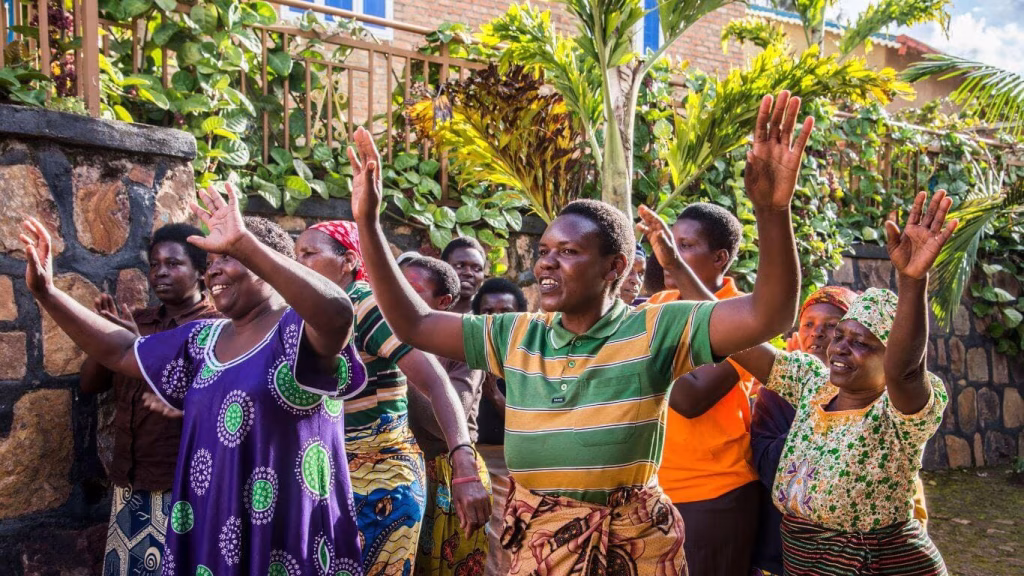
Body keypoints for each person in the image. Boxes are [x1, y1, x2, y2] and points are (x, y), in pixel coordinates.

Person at [345, 89, 813, 576]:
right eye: (545, 250)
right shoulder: (516, 335)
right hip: (539, 548)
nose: (547, 262)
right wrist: (368, 223)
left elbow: (770, 316)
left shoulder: (656, 326)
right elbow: (413, 324)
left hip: (634, 549)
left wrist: (772, 210)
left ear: (613, 267)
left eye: (568, 252)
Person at [21, 186, 376, 576]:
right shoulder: (203, 340)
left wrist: (246, 244)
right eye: (211, 261)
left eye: (228, 257)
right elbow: (122, 351)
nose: (213, 270)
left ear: (267, 262)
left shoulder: (297, 332)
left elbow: (338, 314)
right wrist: (47, 293)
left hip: (285, 536)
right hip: (210, 531)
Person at [727, 190, 956, 575]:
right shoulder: (814, 385)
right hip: (804, 564)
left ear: (890, 357)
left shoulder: (896, 416)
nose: (840, 348)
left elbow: (906, 373)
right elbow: (742, 340)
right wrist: (770, 209)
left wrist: (912, 281)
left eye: (862, 343)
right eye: (840, 336)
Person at [293, 221, 490, 576]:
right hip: (333, 477)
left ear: (348, 260)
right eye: (295, 255)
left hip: (379, 483)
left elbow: (436, 381)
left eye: (309, 253)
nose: (298, 262)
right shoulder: (306, 313)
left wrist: (463, 465)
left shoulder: (364, 304)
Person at [80, 224, 221, 576]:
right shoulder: (137, 320)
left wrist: (139, 347)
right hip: (129, 479)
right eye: (155, 264)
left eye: (174, 264)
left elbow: (213, 403)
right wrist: (105, 339)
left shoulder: (217, 329)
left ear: (201, 273)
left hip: (182, 483)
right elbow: (89, 385)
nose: (161, 272)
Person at [637, 202, 761, 576]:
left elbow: (691, 398)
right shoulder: (660, 303)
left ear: (720, 258)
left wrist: (637, 351)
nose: (668, 255)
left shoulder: (744, 316)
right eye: (669, 243)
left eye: (685, 246)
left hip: (713, 496)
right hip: (651, 491)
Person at [749, 285, 857, 576]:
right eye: (808, 324)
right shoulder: (774, 394)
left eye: (832, 326)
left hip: (849, 550)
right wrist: (818, 412)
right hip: (782, 545)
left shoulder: (869, 396)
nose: (817, 333)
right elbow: (769, 465)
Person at [399, 255, 492, 576]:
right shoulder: (372, 339)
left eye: (410, 289)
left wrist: (399, 362)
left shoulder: (463, 350)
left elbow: (442, 427)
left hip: (448, 478)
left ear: (444, 302)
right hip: (395, 476)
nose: (393, 295)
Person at [469, 278, 529, 576]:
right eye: (487, 311)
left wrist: (495, 396)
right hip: (476, 462)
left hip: (517, 464)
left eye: (505, 310)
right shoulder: (465, 355)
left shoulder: (532, 360)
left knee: (510, 544)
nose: (495, 319)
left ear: (522, 315)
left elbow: (533, 424)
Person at [441, 237, 488, 314]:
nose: (468, 273)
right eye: (460, 266)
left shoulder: (487, 317)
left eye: (477, 268)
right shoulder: (425, 311)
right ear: (443, 268)